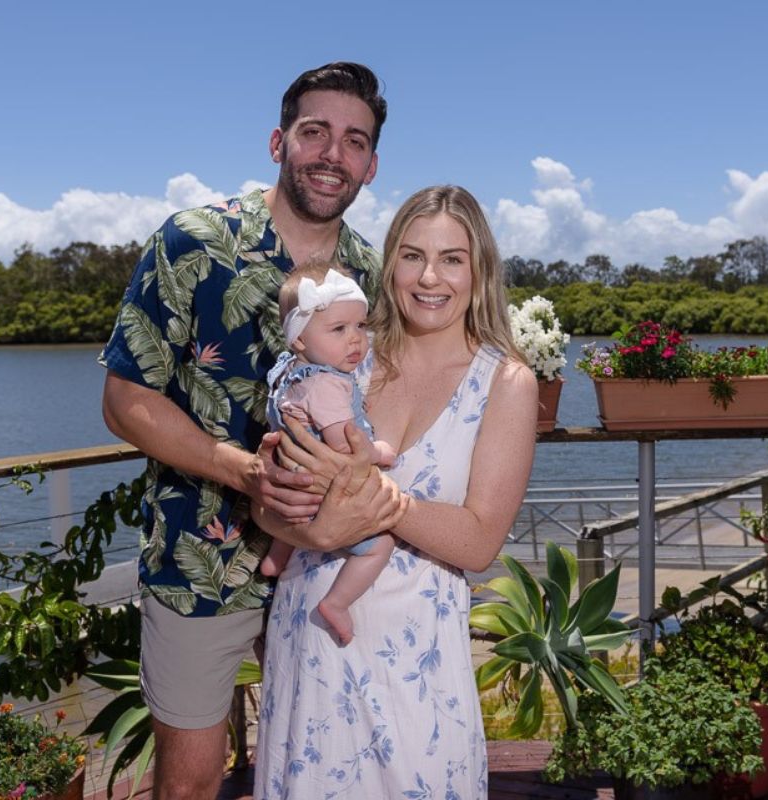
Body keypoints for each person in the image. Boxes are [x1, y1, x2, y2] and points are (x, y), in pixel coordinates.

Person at [99, 62, 406, 800]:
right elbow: (123, 399)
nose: (334, 154)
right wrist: (245, 471)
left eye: (354, 140)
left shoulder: (372, 269)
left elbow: (386, 402)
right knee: (193, 783)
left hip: (326, 561)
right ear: (279, 141)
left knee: (326, 763)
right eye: (315, 133)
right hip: (202, 560)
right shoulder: (195, 241)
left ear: (371, 163)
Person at [253, 185, 539, 799]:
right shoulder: (347, 349)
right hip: (313, 641)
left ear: (478, 269)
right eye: (412, 256)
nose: (429, 277)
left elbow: (479, 540)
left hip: (418, 668)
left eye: (452, 259)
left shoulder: (506, 381)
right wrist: (296, 511)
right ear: (390, 265)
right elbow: (268, 499)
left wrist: (376, 499)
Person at [259, 260, 397, 644]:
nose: (355, 340)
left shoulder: (288, 372)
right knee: (379, 546)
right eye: (339, 329)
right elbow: (344, 446)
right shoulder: (326, 384)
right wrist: (380, 452)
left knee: (295, 513)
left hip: (295, 486)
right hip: (324, 491)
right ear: (299, 339)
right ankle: (336, 603)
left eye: (361, 326)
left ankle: (277, 555)